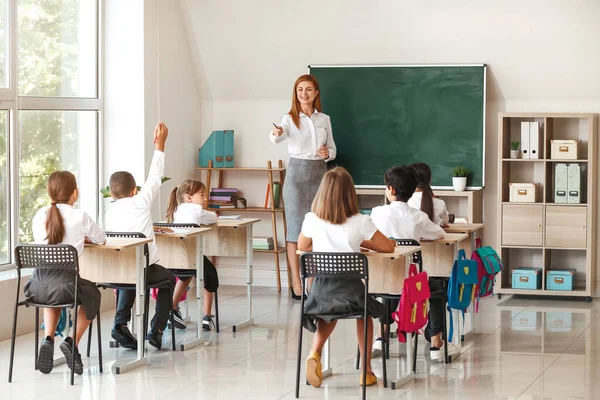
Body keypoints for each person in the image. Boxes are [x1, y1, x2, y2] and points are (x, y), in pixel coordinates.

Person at [298, 167, 393, 388]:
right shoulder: (361, 221)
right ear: (351, 194)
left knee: (330, 311)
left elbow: (302, 246)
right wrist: (360, 242)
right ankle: (366, 371)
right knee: (365, 314)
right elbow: (387, 247)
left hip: (320, 292)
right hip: (352, 292)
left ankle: (315, 352)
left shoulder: (312, 219)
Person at [370, 165, 459, 361]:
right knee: (436, 292)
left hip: (380, 280)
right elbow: (440, 233)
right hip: (413, 284)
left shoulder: (377, 213)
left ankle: (381, 336)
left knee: (392, 287)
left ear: (391, 189)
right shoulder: (417, 217)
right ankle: (436, 344)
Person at [28, 171, 106, 375]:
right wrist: (84, 238)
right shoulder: (79, 215)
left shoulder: (39, 215)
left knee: (54, 291)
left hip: (38, 286)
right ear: (75, 193)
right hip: (67, 286)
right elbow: (101, 239)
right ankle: (72, 341)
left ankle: (48, 338)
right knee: (93, 294)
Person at [106, 122, 176, 350]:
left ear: (111, 193)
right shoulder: (141, 201)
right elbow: (155, 176)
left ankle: (120, 324)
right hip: (141, 267)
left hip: (116, 269)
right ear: (135, 190)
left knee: (130, 277)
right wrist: (161, 144)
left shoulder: (109, 210)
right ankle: (156, 330)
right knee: (168, 279)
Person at [270, 74, 337, 300]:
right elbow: (277, 137)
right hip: (297, 175)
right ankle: (296, 284)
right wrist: (276, 133)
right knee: (296, 229)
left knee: (318, 229)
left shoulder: (324, 119)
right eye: (300, 90)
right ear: (296, 93)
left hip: (320, 174)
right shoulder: (289, 118)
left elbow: (333, 150)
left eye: (308, 90)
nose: (304, 94)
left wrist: (328, 154)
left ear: (316, 93)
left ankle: (312, 282)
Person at [165, 179, 219, 331]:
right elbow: (213, 218)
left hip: (174, 257)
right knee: (210, 274)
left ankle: (172, 308)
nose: (205, 198)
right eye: (202, 195)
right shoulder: (196, 209)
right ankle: (207, 317)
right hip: (191, 255)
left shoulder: (175, 210)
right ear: (189, 197)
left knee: (186, 275)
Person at [407, 162, 449, 226]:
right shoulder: (440, 203)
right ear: (430, 180)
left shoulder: (407, 202)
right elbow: (445, 222)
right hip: (437, 235)